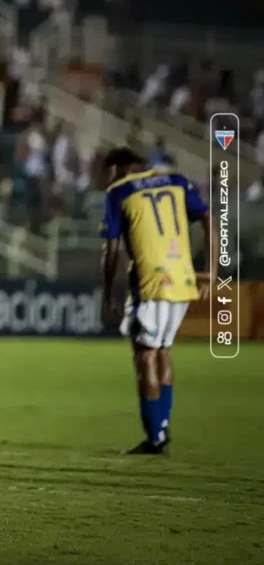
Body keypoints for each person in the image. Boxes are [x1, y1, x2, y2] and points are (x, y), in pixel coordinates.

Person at [100, 147, 215, 455]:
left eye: (108, 171)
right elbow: (207, 215)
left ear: (123, 167)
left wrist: (108, 293)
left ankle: (154, 437)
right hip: (182, 278)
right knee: (162, 350)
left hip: (150, 282)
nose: (106, 179)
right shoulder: (176, 180)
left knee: (145, 356)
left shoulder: (118, 191)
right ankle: (161, 428)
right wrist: (214, 270)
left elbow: (111, 250)